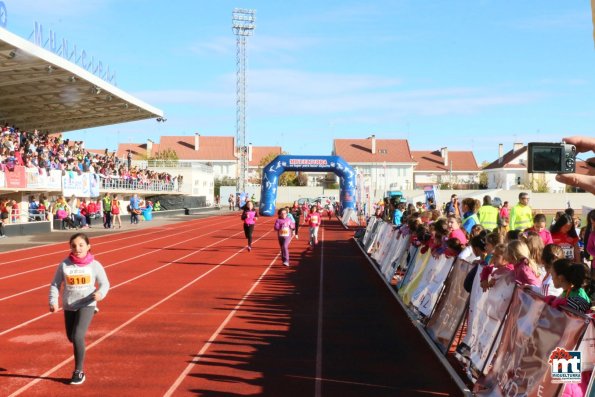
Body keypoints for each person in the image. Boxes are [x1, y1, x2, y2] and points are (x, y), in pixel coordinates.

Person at [49, 233, 110, 385]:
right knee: (72, 337)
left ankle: (79, 371)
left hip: (87, 303)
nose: (77, 248)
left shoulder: (95, 265)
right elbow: (55, 284)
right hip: (70, 304)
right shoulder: (65, 264)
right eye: (74, 246)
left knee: (77, 336)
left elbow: (105, 284)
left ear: (88, 247)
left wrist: (100, 294)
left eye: (81, 245)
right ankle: (88, 316)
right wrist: (53, 301)